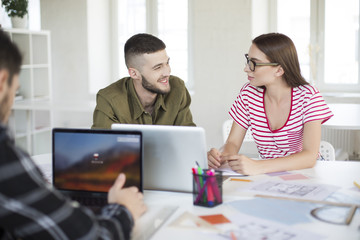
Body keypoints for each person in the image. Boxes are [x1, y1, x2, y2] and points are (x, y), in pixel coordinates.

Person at [0, 29, 146, 240]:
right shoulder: (7, 163)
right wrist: (123, 207)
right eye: (15, 91)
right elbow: (92, 237)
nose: (12, 101)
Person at [208, 33, 333, 175]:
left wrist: (258, 166)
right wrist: (220, 157)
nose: (246, 69)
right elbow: (233, 143)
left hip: (306, 174)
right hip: (268, 177)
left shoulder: (308, 96)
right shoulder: (248, 94)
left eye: (254, 63)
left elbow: (309, 156)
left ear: (279, 70)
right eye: (248, 61)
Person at [92, 33, 195, 129]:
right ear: (134, 74)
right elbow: (102, 146)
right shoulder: (108, 99)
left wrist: (199, 149)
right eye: (158, 67)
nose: (167, 72)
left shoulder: (178, 88)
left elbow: (189, 138)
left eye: (167, 63)